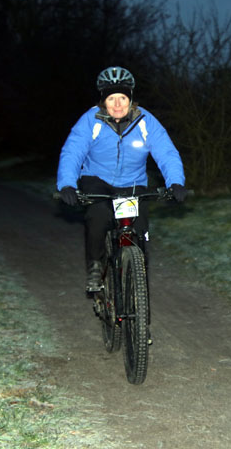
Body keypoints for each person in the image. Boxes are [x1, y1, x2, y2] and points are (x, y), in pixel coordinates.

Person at [56, 66, 187, 295]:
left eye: (123, 98)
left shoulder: (145, 121)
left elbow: (166, 152)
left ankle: (137, 277)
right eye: (112, 98)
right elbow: (73, 151)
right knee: (98, 216)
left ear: (131, 99)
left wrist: (175, 182)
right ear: (103, 101)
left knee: (139, 229)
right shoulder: (91, 120)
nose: (117, 104)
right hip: (97, 180)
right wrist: (67, 184)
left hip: (133, 183)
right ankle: (96, 266)